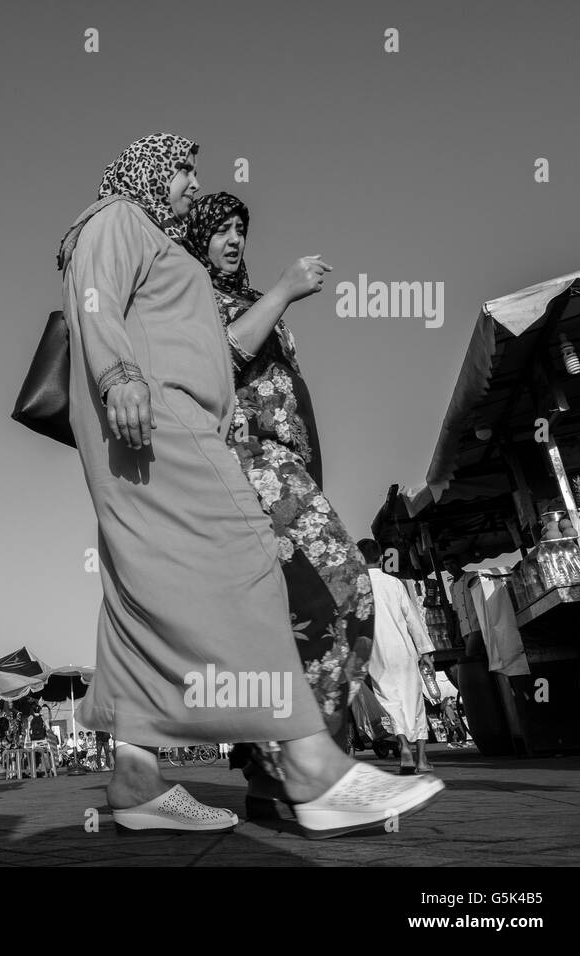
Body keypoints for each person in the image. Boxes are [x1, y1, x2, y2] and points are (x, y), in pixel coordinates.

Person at [57, 132, 443, 835]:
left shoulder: (163, 246)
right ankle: (306, 766)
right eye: (182, 170)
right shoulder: (118, 219)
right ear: (148, 170)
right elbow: (92, 297)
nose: (191, 184)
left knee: (137, 596)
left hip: (154, 429)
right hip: (161, 422)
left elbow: (216, 346)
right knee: (247, 563)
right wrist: (117, 373)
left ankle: (135, 780)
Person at [181, 192, 377, 807]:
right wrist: (286, 289)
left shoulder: (253, 300)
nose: (234, 240)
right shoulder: (190, 297)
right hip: (247, 470)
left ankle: (287, 767)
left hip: (288, 474)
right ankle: (303, 762)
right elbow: (223, 358)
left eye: (240, 229)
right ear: (197, 241)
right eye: (220, 231)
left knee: (319, 608)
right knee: (331, 599)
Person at [358, 540, 437, 773]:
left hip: (376, 653)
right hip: (403, 650)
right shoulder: (394, 583)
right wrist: (426, 652)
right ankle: (422, 759)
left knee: (389, 700)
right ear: (381, 558)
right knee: (414, 700)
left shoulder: (357, 588)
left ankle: (404, 748)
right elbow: (413, 619)